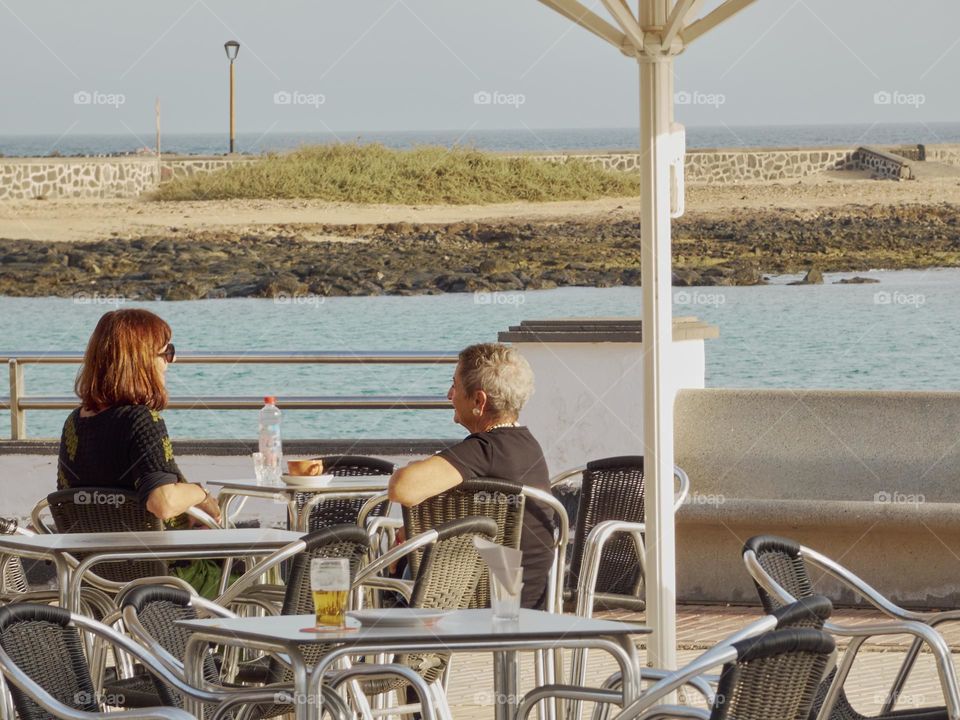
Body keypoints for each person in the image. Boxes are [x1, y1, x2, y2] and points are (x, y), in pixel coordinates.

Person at [388, 343, 554, 609]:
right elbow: (486, 516)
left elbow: (402, 488)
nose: (449, 395)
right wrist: (413, 530)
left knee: (391, 577)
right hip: (524, 596)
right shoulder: (526, 445)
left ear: (479, 401)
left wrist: (410, 538)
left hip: (478, 600)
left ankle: (369, 648)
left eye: (454, 386)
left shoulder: (484, 450)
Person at [57, 308, 221, 525]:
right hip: (149, 556)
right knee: (263, 549)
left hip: (87, 556)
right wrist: (201, 494)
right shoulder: (141, 421)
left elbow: (69, 503)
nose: (170, 362)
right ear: (141, 360)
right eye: (167, 353)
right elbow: (163, 502)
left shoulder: (75, 423)